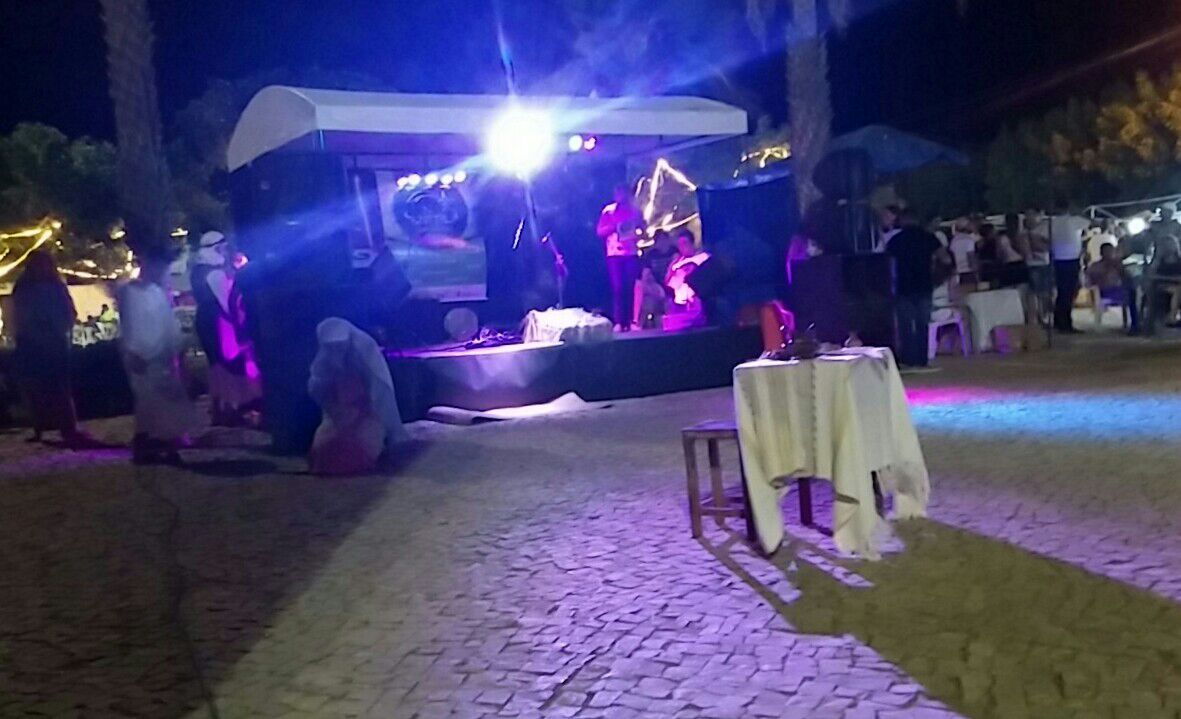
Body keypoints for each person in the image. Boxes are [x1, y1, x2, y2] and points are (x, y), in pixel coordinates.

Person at [118, 251, 200, 464]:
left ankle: (161, 443)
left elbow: (165, 324)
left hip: (159, 356)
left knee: (159, 403)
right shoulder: (136, 293)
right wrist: (136, 351)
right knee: (151, 402)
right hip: (145, 357)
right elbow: (134, 325)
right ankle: (152, 444)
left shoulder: (154, 292)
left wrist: (176, 345)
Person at [307, 318, 408, 475]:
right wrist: (335, 410)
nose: (336, 351)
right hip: (337, 413)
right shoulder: (324, 361)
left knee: (359, 450)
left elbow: (381, 393)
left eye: (340, 346)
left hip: (367, 413)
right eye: (331, 347)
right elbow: (317, 388)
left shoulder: (366, 353)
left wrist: (392, 431)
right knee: (323, 452)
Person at [9, 251, 88, 446]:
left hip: (51, 343)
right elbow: (20, 314)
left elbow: (68, 312)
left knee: (58, 387)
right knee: (36, 387)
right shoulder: (26, 287)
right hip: (34, 344)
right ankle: (42, 427)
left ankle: (65, 427)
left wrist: (57, 327)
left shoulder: (52, 286)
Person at [189, 230, 261, 426]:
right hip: (220, 323)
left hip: (207, 322)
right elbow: (227, 304)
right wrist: (240, 329)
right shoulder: (215, 273)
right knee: (229, 363)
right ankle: (232, 407)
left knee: (217, 364)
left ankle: (222, 407)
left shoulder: (199, 270)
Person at [886, 208, 952, 368]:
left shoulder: (896, 240)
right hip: (924, 285)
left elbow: (887, 264)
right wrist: (938, 275)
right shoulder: (928, 238)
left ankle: (907, 359)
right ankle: (922, 359)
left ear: (903, 220)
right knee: (923, 324)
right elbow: (946, 259)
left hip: (903, 287)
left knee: (905, 326)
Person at [596, 185, 643, 331]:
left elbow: (643, 228)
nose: (620, 196)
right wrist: (614, 227)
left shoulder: (635, 211)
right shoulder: (608, 211)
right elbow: (600, 231)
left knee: (630, 285)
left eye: (623, 193)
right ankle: (618, 321)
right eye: (618, 193)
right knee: (618, 287)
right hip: (614, 254)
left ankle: (631, 321)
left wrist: (637, 233)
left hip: (631, 252)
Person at [1044, 208, 1092, 333]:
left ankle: (1058, 320)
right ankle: (1065, 323)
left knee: (1062, 292)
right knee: (1069, 292)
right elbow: (1089, 221)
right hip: (1071, 259)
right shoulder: (1074, 220)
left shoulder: (1052, 222)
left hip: (1058, 259)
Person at [1085, 243, 1140, 334]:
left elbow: (1127, 277)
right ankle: (1135, 325)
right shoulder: (1095, 266)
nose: (1109, 253)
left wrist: (1120, 268)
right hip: (1104, 292)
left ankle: (1135, 325)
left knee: (1133, 293)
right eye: (1106, 251)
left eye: (1111, 251)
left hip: (1120, 291)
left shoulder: (1118, 265)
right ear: (1101, 253)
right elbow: (1089, 282)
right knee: (1130, 294)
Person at [948, 218, 979, 286]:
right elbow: (971, 257)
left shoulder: (954, 241)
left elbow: (952, 257)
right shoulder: (969, 240)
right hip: (969, 273)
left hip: (958, 273)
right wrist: (976, 270)